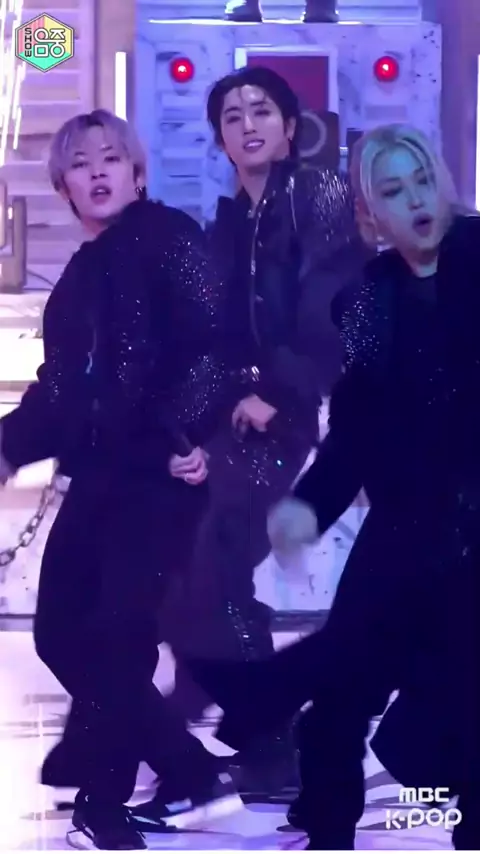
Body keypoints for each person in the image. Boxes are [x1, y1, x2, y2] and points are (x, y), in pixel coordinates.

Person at [186, 123, 479, 849]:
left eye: (422, 181)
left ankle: (267, 695)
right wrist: (308, 511)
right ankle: (326, 828)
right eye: (393, 191)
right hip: (407, 523)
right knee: (342, 696)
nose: (416, 201)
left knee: (453, 695)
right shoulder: (367, 301)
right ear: (369, 215)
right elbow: (355, 432)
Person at [132, 64, 369, 821]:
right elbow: (218, 327)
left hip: (289, 414)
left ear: (290, 128)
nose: (247, 124)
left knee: (219, 555)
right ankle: (212, 709)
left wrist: (282, 389)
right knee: (187, 559)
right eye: (231, 116)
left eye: (261, 111)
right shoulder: (233, 217)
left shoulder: (316, 195)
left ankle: (267, 734)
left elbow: (333, 306)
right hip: (236, 410)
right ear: (221, 140)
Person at [0, 109, 234, 850]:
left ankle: (103, 809)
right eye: (81, 162)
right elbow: (61, 391)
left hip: (158, 477)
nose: (97, 170)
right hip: (100, 478)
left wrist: (185, 436)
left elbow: (212, 345)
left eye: (111, 157)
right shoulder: (76, 280)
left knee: (117, 638)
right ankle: (185, 766)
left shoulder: (169, 238)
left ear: (137, 173)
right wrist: (7, 449)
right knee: (58, 632)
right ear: (63, 187)